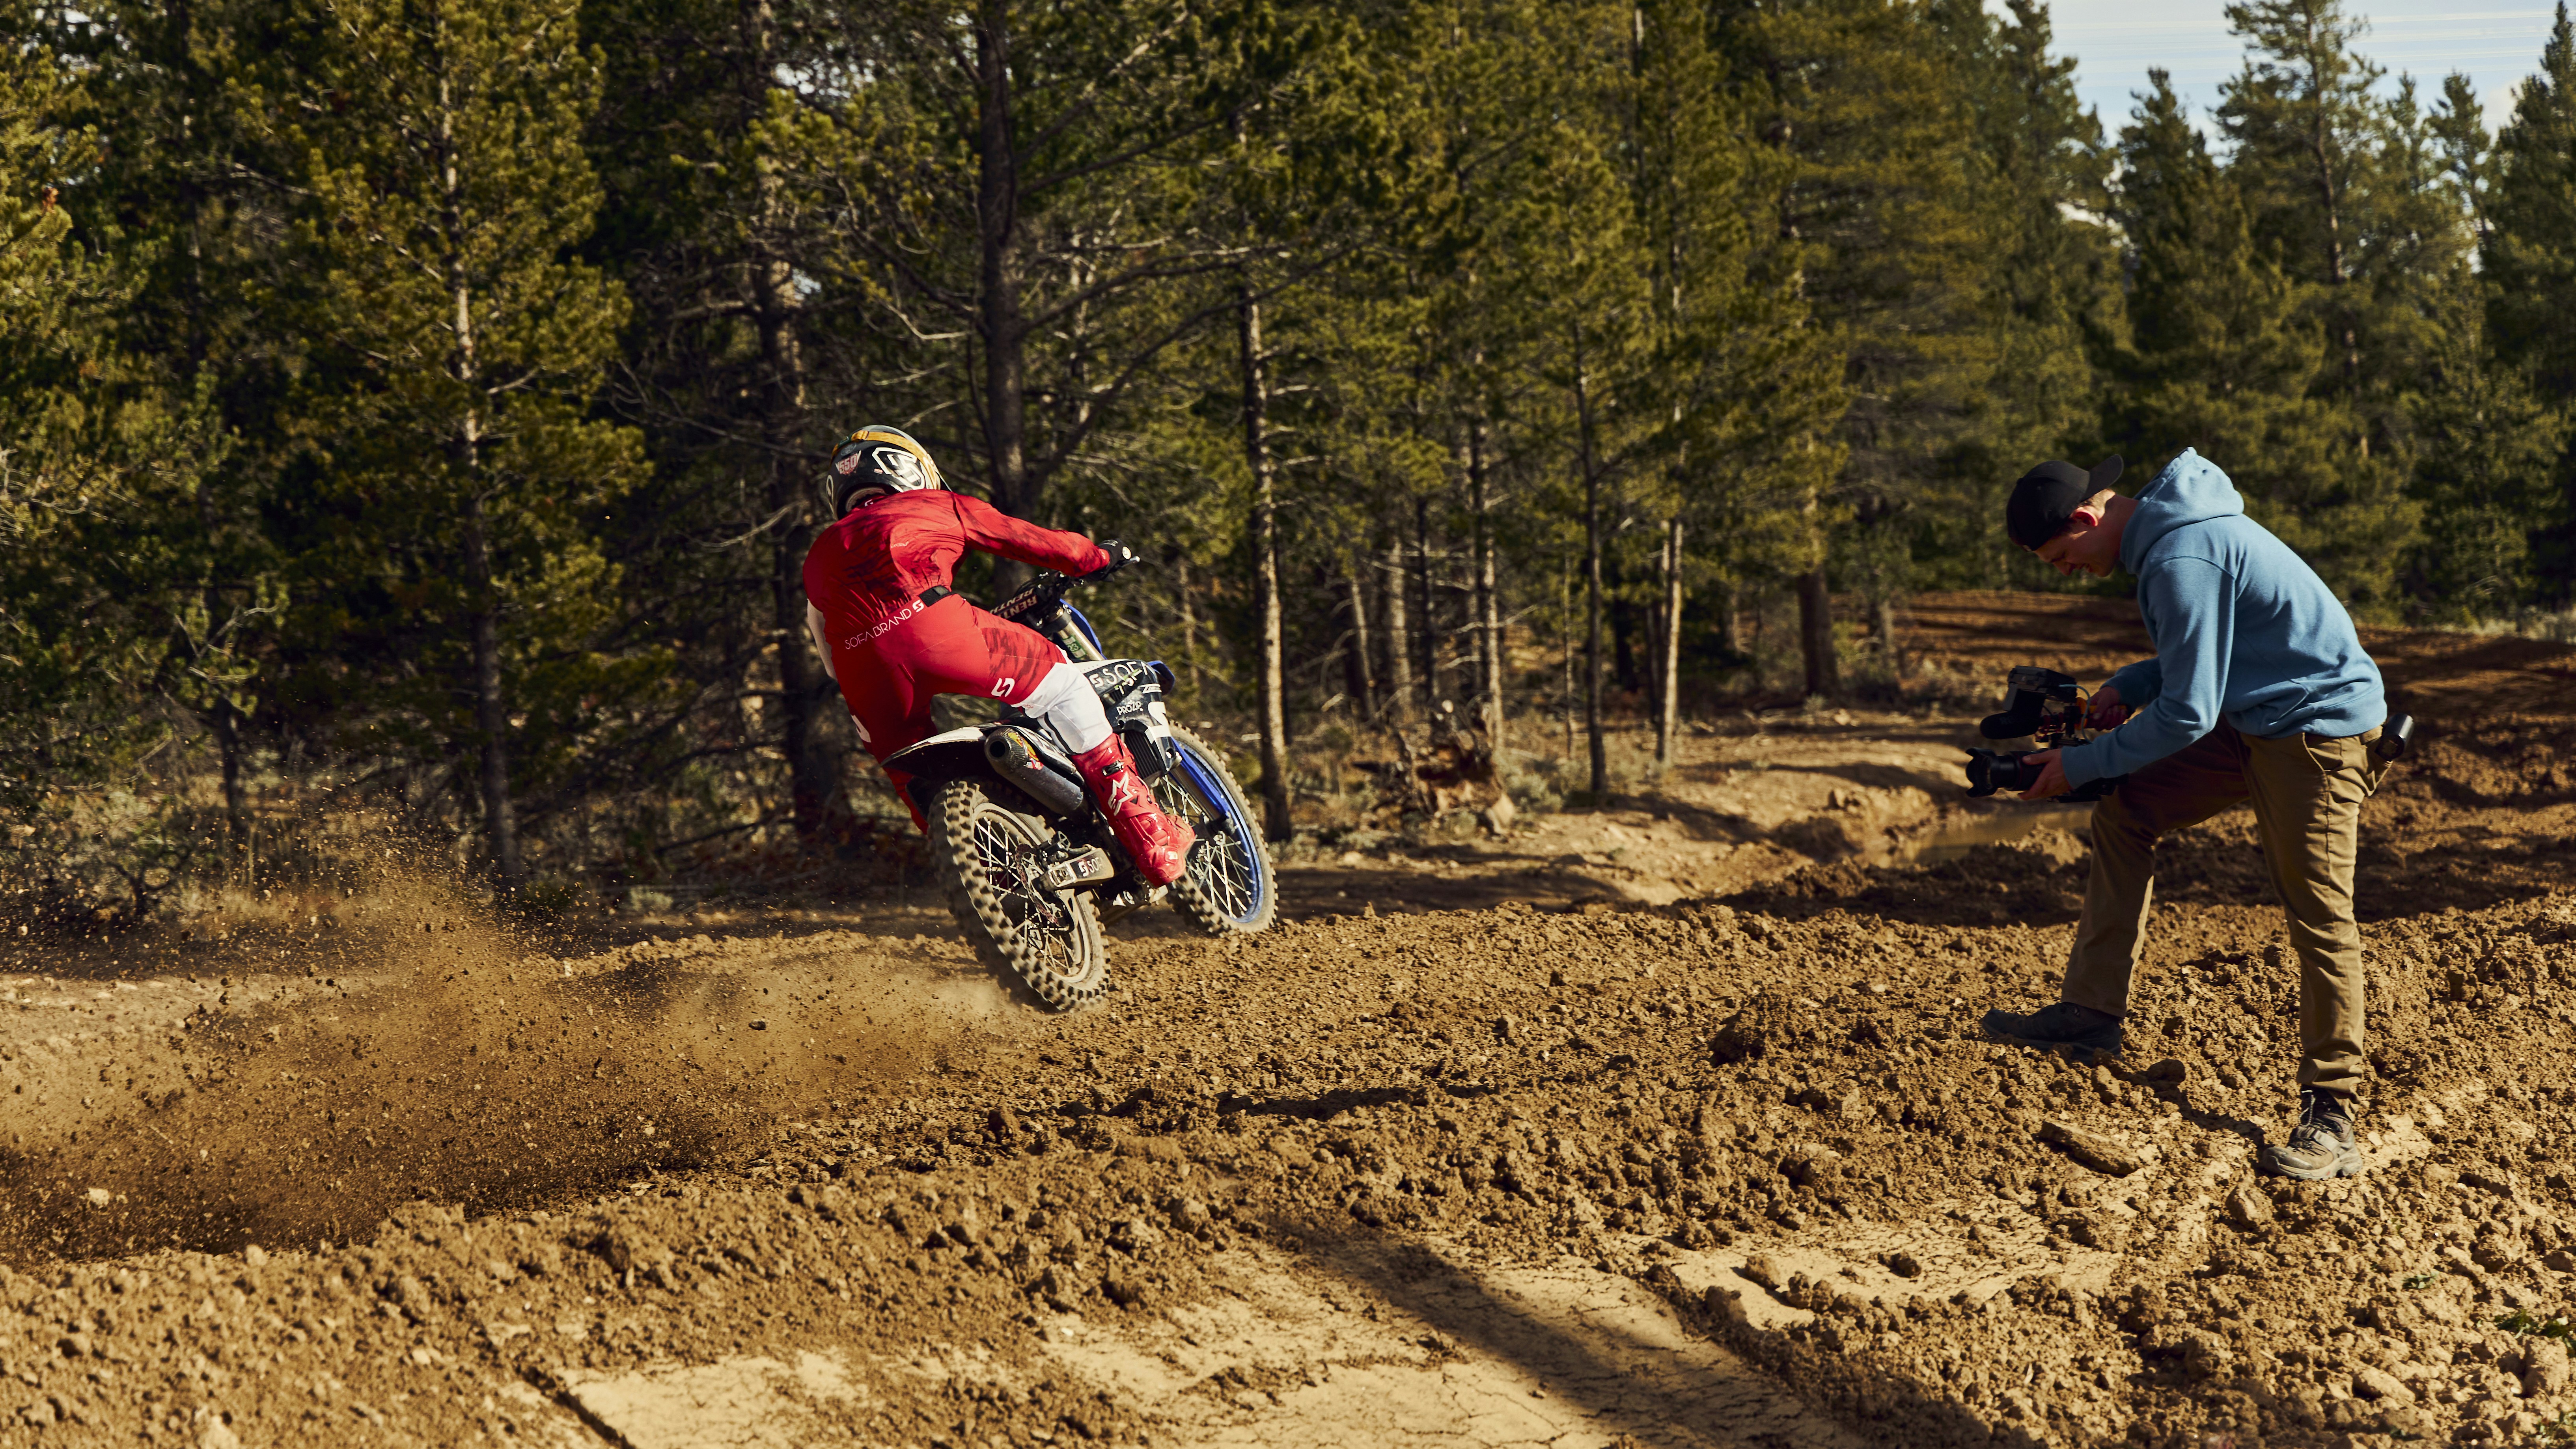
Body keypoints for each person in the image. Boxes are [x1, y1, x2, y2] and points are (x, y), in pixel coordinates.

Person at [1978, 449, 2391, 1181]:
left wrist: (2076, 763)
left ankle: (2331, 1111)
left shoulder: (2181, 555)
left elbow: (2189, 713)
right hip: (2253, 720)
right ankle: (2092, 1014)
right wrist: (2130, 682)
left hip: (2316, 734)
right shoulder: (2171, 541)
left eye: (2059, 554)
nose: (2061, 570)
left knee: (2318, 912)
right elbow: (2214, 656)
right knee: (2126, 811)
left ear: (2085, 518)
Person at [801, 425, 1196, 885]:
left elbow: (819, 634)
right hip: (935, 628)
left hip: (860, 670)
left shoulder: (818, 552)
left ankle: (991, 884)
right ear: (910, 469)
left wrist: (858, 674)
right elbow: (1031, 541)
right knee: (1063, 682)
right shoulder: (933, 504)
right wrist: (1099, 558)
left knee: (913, 779)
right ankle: (1148, 835)